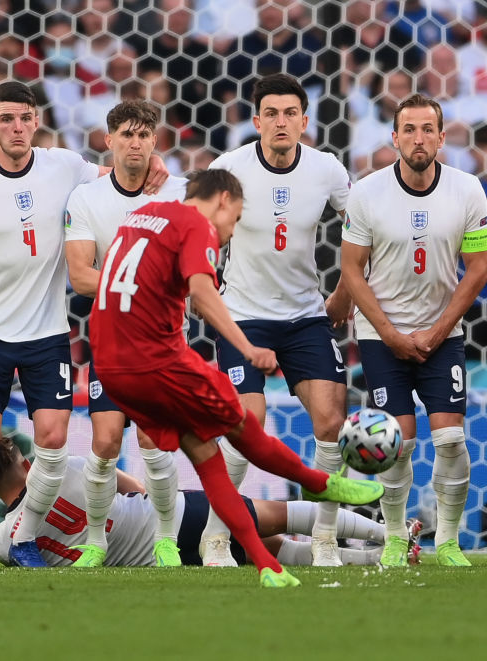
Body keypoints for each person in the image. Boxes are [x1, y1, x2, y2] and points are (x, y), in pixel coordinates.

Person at [0, 81, 168, 569]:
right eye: (7, 119)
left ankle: (23, 536)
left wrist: (153, 163)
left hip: (47, 333)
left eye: (24, 118)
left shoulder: (63, 165)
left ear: (36, 121)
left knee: (52, 439)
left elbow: (118, 174)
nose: (17, 127)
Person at [87, 169, 384, 588]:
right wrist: (247, 347)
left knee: (207, 456)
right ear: (223, 200)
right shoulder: (196, 225)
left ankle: (264, 563)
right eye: (237, 217)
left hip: (112, 368)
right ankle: (320, 483)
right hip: (157, 363)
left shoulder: (141, 216)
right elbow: (204, 291)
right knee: (247, 432)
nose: (230, 232)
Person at [198, 73, 354, 567]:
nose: (281, 122)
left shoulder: (327, 170)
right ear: (257, 119)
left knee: (331, 422)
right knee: (248, 426)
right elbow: (195, 229)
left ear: (304, 121)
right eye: (272, 113)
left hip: (306, 315)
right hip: (243, 316)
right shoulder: (228, 168)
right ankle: (217, 536)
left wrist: (343, 297)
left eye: (291, 113)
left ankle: (326, 539)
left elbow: (363, 234)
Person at [340, 93, 487, 567]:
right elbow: (351, 270)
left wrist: (439, 329)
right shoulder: (366, 192)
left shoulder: (468, 190)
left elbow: (478, 269)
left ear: (442, 137)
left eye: (428, 129)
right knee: (396, 446)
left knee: (450, 441)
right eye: (410, 129)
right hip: (382, 338)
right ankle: (394, 538)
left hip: (442, 336)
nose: (419, 138)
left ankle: (447, 541)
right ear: (395, 137)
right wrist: (389, 333)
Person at [64, 100, 189, 567]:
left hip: (163, 338)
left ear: (155, 142)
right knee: (105, 443)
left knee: (156, 442)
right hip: (113, 338)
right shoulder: (86, 199)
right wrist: (143, 280)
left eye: (143, 136)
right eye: (126, 135)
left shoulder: (177, 193)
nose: (134, 143)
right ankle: (95, 540)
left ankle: (166, 540)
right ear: (108, 140)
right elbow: (79, 275)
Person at [0, 438, 420, 567]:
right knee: (268, 519)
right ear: (26, 464)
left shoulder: (1, 541)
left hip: (151, 562)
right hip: (165, 518)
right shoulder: (65, 467)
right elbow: (126, 483)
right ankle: (389, 534)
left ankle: (379, 557)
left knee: (265, 551)